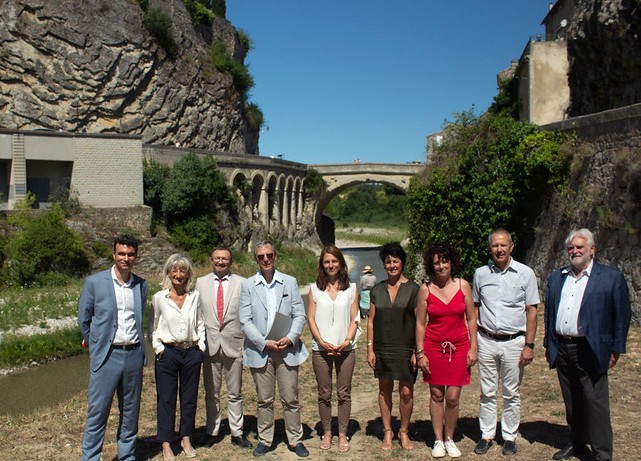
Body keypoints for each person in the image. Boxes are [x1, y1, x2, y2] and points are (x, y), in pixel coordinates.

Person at [544, 229, 631, 461]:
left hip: (591, 348)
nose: (574, 251)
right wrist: (548, 344)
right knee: (572, 401)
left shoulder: (610, 277)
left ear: (592, 250)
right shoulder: (557, 277)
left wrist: (616, 348)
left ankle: (602, 453)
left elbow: (621, 315)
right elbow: (549, 312)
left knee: (596, 403)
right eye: (571, 248)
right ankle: (577, 444)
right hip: (563, 347)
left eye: (580, 247)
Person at [77, 235, 148, 461]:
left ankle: (126, 455)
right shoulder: (94, 282)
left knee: (130, 411)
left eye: (130, 254)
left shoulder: (141, 284)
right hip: (107, 356)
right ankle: (90, 457)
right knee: (98, 411)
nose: (125, 258)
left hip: (134, 354)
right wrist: (96, 344)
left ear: (136, 256)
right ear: (113, 255)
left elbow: (140, 317)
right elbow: (84, 319)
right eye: (121, 254)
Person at [238, 240, 310, 458]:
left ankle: (295, 440)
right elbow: (245, 320)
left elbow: (300, 314)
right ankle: (265, 439)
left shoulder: (289, 282)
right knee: (264, 399)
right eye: (261, 257)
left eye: (269, 255)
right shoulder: (248, 285)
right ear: (256, 259)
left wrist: (290, 337)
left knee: (290, 398)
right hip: (261, 350)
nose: (266, 260)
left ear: (275, 256)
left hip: (286, 348)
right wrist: (263, 342)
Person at [472, 228, 539, 456]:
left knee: (511, 392)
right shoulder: (480, 274)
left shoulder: (525, 273)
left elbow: (532, 310)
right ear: (489, 248)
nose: (499, 249)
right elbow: (475, 307)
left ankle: (509, 436)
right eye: (495, 245)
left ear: (511, 246)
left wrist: (529, 345)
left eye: (503, 245)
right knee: (487, 391)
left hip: (514, 342)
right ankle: (487, 435)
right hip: (487, 340)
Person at [415, 243, 478, 458]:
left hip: (459, 347)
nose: (441, 266)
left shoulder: (463, 286)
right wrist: (420, 352)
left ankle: (450, 438)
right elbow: (420, 324)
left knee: (452, 396)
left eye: (444, 261)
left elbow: (471, 318)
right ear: (431, 266)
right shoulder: (426, 289)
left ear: (451, 262)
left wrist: (473, 348)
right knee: (436, 393)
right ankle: (438, 440)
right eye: (436, 262)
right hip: (433, 347)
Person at [196, 246, 253, 448]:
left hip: (234, 343)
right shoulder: (200, 283)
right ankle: (212, 430)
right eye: (217, 258)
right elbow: (198, 314)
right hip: (209, 344)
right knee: (211, 392)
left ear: (231, 261)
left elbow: (247, 314)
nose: (221, 262)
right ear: (212, 260)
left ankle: (237, 432)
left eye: (225, 259)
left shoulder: (243, 283)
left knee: (235, 391)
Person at [366, 242, 420, 451]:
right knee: (384, 390)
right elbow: (371, 321)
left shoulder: (414, 289)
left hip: (406, 348)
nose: (391, 265)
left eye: (395, 261)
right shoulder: (377, 290)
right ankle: (388, 431)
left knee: (406, 392)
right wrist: (370, 348)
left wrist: (417, 350)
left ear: (402, 263)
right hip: (383, 347)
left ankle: (404, 432)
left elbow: (420, 322)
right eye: (388, 261)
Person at [151, 253, 205, 460]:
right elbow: (153, 327)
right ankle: (166, 443)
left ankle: (186, 438)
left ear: (188, 274)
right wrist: (159, 349)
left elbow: (200, 322)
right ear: (168, 273)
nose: (178, 274)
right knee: (166, 399)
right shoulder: (159, 298)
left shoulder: (194, 296)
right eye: (174, 270)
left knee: (189, 399)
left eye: (183, 270)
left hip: (191, 352)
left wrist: (201, 346)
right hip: (168, 352)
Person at [307, 244, 361, 453]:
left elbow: (354, 319)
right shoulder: (314, 289)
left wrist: (346, 341)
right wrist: (320, 340)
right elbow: (310, 318)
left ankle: (342, 434)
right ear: (322, 264)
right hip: (320, 349)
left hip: (345, 349)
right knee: (324, 393)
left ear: (341, 263)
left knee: (343, 393)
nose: (331, 265)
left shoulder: (351, 289)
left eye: (334, 261)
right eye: (327, 261)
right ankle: (327, 431)